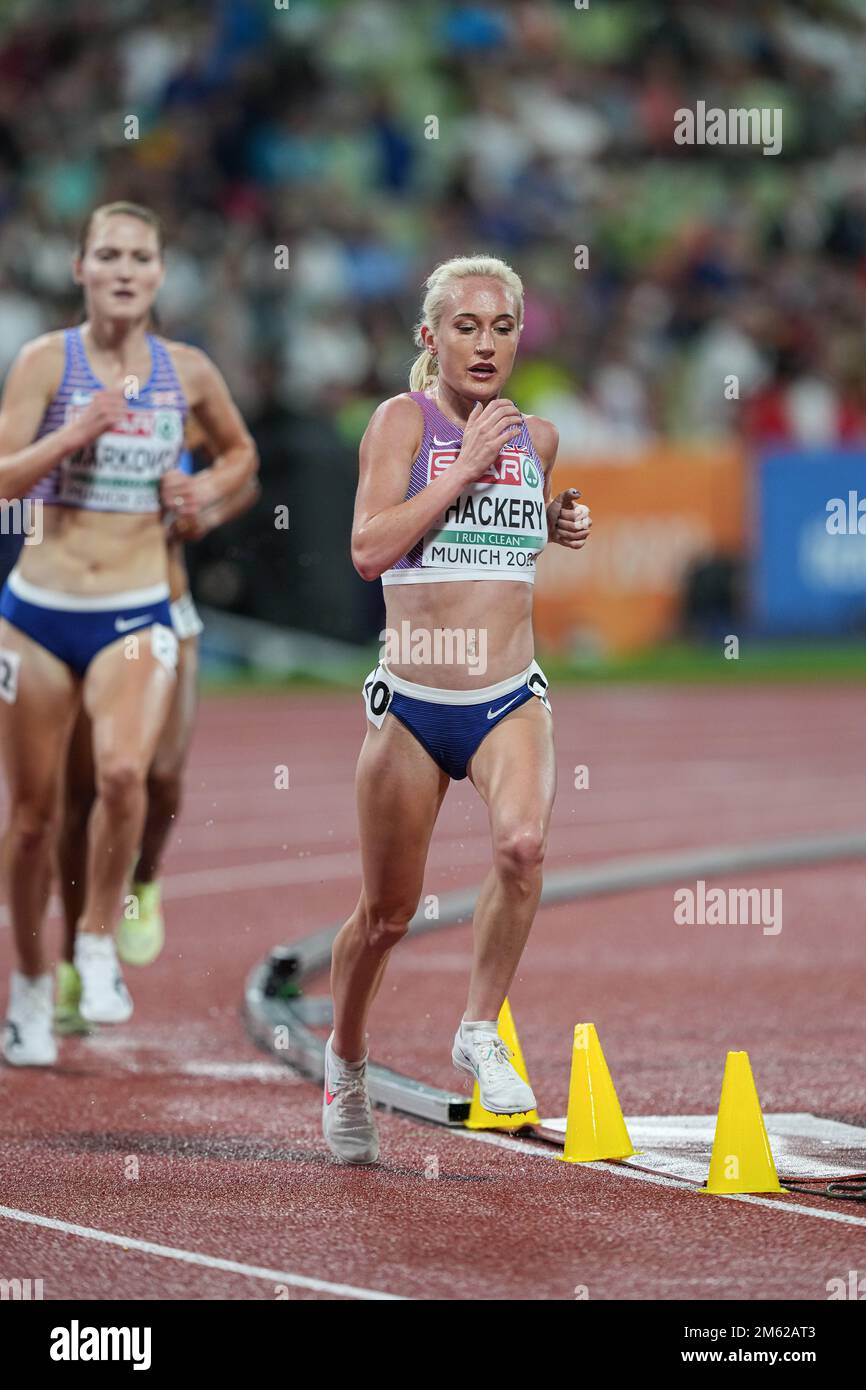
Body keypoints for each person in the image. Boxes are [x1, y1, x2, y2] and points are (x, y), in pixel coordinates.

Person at [323, 255, 591, 1163]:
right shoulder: (402, 421)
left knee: (522, 848)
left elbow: (495, 558)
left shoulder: (539, 438)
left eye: (502, 327)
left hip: (509, 698)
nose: (485, 344)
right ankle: (346, 1061)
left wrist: (550, 524)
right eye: (466, 327)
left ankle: (480, 1028)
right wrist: (465, 466)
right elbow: (369, 549)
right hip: (412, 708)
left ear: (521, 336)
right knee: (386, 917)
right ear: (428, 337)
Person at [0, 201, 258, 1064]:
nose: (123, 269)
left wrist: (206, 496)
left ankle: (100, 944)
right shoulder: (46, 360)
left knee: (123, 772)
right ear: (79, 268)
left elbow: (241, 456)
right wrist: (73, 433)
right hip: (38, 613)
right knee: (33, 819)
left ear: (158, 273)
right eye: (106, 253)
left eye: (139, 256)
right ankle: (32, 986)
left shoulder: (186, 370)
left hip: (140, 609)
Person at [54, 417, 259, 1034]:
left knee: (162, 777)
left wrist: (206, 508)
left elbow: (244, 474)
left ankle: (143, 879)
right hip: (83, 613)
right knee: (84, 794)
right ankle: (71, 960)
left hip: (168, 614)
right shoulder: (67, 407)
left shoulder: (179, 408)